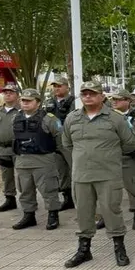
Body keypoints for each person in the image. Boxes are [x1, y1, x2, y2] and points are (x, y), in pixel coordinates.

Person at [61, 81, 135, 268]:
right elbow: (67, 143)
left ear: (102, 96)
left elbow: (130, 144)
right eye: (84, 93)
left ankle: (119, 248)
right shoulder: (72, 118)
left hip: (108, 175)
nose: (88, 97)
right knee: (83, 213)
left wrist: (108, 156)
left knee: (112, 211)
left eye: (92, 93)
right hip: (82, 176)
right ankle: (84, 250)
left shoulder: (115, 118)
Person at [11, 88, 63, 230]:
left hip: (43, 160)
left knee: (49, 189)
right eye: (23, 100)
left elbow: (60, 138)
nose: (25, 103)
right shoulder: (15, 117)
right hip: (22, 160)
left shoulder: (49, 119)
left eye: (29, 101)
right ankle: (29, 215)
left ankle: (53, 215)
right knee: (25, 190)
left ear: (38, 103)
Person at [109, 90, 135, 230]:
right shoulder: (108, 116)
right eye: (113, 99)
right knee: (108, 189)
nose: (114, 101)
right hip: (112, 157)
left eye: (118, 99)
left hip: (131, 157)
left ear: (127, 101)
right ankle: (107, 216)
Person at [45, 78, 76, 211]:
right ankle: (67, 197)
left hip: (68, 140)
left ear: (67, 87)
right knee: (61, 171)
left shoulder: (73, 102)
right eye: (55, 86)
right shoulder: (49, 103)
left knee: (74, 169)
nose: (57, 88)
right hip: (54, 141)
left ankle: (79, 197)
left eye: (59, 86)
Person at [0, 83, 21, 213]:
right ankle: (10, 199)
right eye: (5, 92)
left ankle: (29, 200)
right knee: (6, 175)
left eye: (11, 92)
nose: (7, 94)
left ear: (17, 95)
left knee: (23, 176)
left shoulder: (22, 110)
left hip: (18, 148)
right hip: (3, 148)